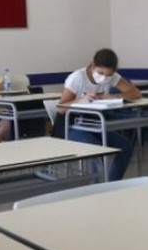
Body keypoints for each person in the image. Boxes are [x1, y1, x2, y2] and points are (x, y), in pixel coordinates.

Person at [54, 48, 142, 181]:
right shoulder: (77, 78)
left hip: (93, 124)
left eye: (108, 75)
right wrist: (80, 100)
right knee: (95, 148)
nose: (104, 78)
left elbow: (136, 93)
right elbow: (60, 108)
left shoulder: (112, 77)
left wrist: (114, 96)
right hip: (69, 126)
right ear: (92, 65)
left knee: (126, 146)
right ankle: (98, 185)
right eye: (100, 73)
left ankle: (111, 183)